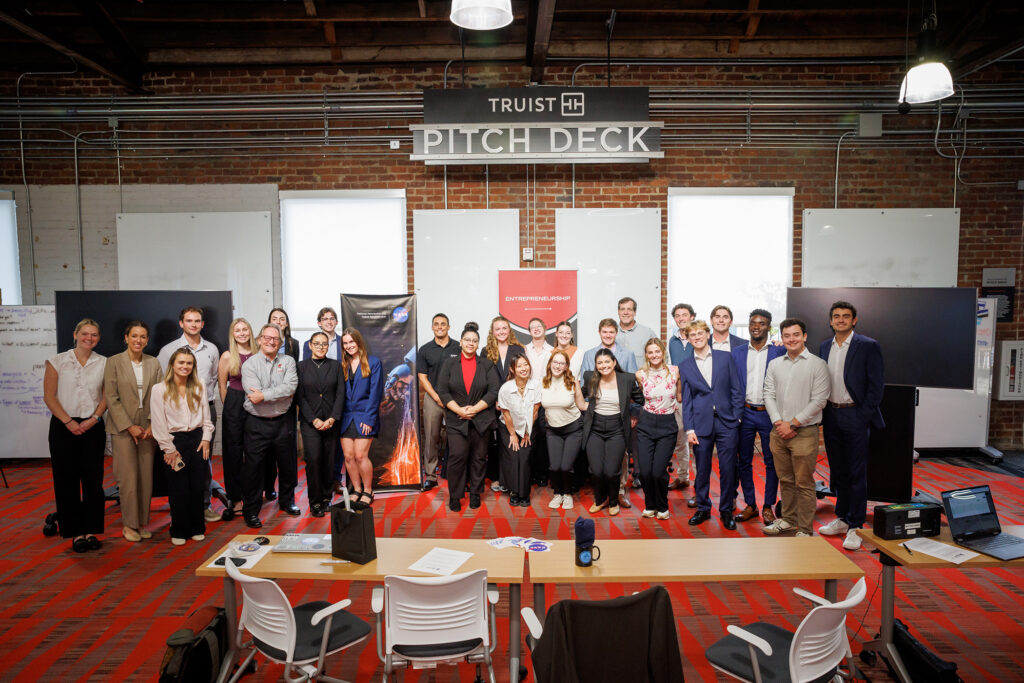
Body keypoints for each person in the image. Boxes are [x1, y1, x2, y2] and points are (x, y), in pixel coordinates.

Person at [818, 301, 885, 551]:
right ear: (831, 321)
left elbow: (876, 386)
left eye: (846, 316)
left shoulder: (868, 346)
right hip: (831, 415)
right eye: (836, 316)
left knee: (856, 473)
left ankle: (856, 525)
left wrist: (863, 416)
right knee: (839, 471)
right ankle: (842, 518)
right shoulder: (824, 346)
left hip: (855, 415)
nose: (841, 320)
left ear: (854, 320)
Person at [43, 318, 108, 553]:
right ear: (75, 334)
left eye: (94, 335)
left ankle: (91, 530)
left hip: (93, 426)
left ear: (98, 338)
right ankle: (74, 532)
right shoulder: (57, 361)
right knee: (66, 481)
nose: (89, 338)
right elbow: (49, 396)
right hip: (63, 426)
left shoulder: (104, 363)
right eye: (85, 334)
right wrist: (69, 422)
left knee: (93, 481)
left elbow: (106, 396)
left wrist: (94, 419)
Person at [762, 318, 831, 538]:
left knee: (804, 483)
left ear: (805, 336)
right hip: (778, 432)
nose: (791, 339)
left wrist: (792, 423)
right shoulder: (775, 364)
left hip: (804, 433)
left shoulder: (818, 365)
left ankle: (805, 529)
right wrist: (778, 422)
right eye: (787, 336)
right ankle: (789, 521)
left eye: (796, 335)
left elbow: (819, 400)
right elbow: (768, 394)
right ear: (782, 338)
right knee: (786, 480)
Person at [156, 306, 220, 523]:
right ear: (181, 323)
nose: (193, 324)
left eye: (197, 321)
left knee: (204, 460)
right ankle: (180, 509)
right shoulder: (168, 351)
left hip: (204, 409)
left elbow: (212, 378)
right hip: (175, 412)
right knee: (177, 462)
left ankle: (204, 505)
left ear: (203, 324)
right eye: (189, 321)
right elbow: (162, 378)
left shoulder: (212, 349)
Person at [678, 320, 743, 530]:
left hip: (727, 422)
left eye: (700, 333)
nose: (697, 337)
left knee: (728, 468)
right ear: (688, 339)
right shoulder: (685, 366)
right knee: (702, 469)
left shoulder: (725, 357)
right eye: (692, 335)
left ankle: (726, 510)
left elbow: (736, 389)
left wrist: (737, 417)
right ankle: (703, 508)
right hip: (700, 424)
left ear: (708, 335)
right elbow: (687, 400)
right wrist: (689, 429)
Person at [104, 320, 163, 543]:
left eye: (143, 336)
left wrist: (152, 424)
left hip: (148, 426)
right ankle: (129, 525)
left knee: (145, 478)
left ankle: (141, 522)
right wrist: (129, 427)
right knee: (127, 478)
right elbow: (111, 397)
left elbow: (160, 395)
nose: (138, 340)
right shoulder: (113, 362)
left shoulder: (153, 363)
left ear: (147, 340)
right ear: (126, 338)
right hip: (123, 427)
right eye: (134, 336)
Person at [150, 348, 215, 545]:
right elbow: (158, 422)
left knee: (197, 486)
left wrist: (206, 438)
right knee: (178, 488)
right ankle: (178, 530)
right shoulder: (159, 389)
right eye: (181, 362)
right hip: (174, 441)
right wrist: (168, 449)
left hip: (197, 440)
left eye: (189, 363)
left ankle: (197, 527)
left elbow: (207, 418)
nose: (185, 366)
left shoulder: (199, 385)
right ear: (172, 364)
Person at [240, 323, 299, 528]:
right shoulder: (249, 364)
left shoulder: (288, 361)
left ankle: (287, 501)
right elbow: (253, 395)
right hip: (257, 422)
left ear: (280, 342)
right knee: (253, 469)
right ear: (259, 340)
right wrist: (277, 393)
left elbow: (290, 387)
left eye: (275, 339)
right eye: (266, 337)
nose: (271, 342)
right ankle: (251, 511)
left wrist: (265, 395)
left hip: (283, 421)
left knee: (287, 465)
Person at [437, 322, 499, 512]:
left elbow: (493, 391)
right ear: (461, 342)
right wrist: (460, 411)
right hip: (457, 420)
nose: (470, 343)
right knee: (457, 458)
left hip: (481, 420)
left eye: (474, 341)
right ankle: (455, 496)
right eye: (467, 340)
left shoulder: (487, 365)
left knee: (479, 458)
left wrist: (474, 410)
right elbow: (443, 391)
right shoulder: (449, 364)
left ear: (478, 344)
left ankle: (475, 493)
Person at [732, 309, 786, 525]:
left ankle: (768, 506)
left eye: (762, 323)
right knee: (743, 461)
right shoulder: (737, 352)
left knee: (771, 461)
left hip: (769, 414)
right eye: (753, 323)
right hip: (744, 413)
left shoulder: (779, 351)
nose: (756, 326)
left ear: (769, 327)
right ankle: (751, 505)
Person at [579, 318, 638, 509]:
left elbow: (637, 394)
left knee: (614, 468)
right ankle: (600, 499)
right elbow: (584, 393)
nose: (604, 365)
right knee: (596, 469)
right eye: (600, 363)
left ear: (614, 362)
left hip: (618, 424)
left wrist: (633, 415)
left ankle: (615, 498)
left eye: (611, 331)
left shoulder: (627, 366)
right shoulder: (590, 366)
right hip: (595, 425)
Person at [297, 331, 345, 517]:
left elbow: (340, 394)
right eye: (317, 343)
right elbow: (300, 396)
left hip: (331, 422)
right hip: (310, 423)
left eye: (324, 344)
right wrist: (314, 419)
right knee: (314, 460)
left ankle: (326, 498)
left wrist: (333, 418)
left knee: (329, 460)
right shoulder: (301, 367)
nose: (320, 347)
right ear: (310, 345)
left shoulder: (336, 366)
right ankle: (315, 501)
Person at [635, 338, 681, 520]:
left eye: (657, 351)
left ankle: (662, 506)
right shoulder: (640, 374)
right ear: (646, 355)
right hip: (646, 424)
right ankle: (650, 505)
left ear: (663, 352)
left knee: (658, 471)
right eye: (650, 352)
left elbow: (680, 396)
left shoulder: (675, 371)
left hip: (667, 425)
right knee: (645, 472)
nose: (654, 355)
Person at [339, 327, 384, 506]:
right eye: (345, 343)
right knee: (348, 457)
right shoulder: (342, 364)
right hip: (345, 417)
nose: (349, 345)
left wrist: (369, 419)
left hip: (364, 416)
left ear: (358, 342)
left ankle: (368, 490)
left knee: (360, 456)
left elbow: (375, 393)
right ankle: (357, 489)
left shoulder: (373, 362)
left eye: (351, 341)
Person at [416, 313, 461, 491]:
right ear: (432, 327)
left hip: (455, 399)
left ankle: (456, 473)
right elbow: (422, 376)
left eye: (443, 324)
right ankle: (431, 476)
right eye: (436, 324)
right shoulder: (425, 349)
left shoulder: (458, 347)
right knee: (431, 437)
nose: (440, 327)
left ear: (449, 327)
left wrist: (449, 399)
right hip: (433, 398)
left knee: (457, 437)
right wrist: (436, 397)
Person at [217, 318, 254, 520]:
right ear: (233, 334)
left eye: (244, 329)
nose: (241, 333)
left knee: (253, 453)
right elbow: (222, 385)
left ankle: (252, 496)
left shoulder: (258, 353)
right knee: (233, 452)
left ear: (250, 331)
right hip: (234, 402)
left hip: (255, 402)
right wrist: (229, 407)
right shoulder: (227, 355)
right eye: (237, 330)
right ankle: (236, 498)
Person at [541, 350, 587, 510]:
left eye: (562, 363)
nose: (558, 366)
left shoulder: (573, 383)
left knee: (566, 467)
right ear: (550, 364)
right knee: (554, 467)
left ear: (567, 366)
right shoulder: (542, 383)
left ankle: (567, 494)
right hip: (553, 430)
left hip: (573, 429)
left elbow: (582, 405)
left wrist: (604, 405)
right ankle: (557, 493)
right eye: (555, 362)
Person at [484, 315, 526, 493]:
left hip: (513, 402)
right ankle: (495, 477)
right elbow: (484, 378)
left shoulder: (518, 349)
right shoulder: (485, 351)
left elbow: (522, 375)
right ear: (492, 332)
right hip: (492, 404)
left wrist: (507, 400)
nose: (501, 331)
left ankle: (509, 478)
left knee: (510, 441)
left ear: (509, 330)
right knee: (493, 443)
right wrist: (495, 400)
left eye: (504, 328)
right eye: (498, 329)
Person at [497, 354, 542, 507]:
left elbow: (535, 411)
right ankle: (514, 492)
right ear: (512, 369)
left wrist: (527, 432)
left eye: (525, 364)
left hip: (528, 426)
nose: (523, 368)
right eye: (519, 366)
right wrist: (513, 435)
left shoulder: (536, 385)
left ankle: (524, 493)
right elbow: (506, 414)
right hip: (508, 427)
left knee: (524, 457)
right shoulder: (506, 388)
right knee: (513, 456)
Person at [266, 307, 300, 501]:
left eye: (282, 319)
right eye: (274, 318)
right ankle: (269, 486)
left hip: (287, 405)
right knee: (267, 450)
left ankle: (288, 497)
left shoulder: (293, 344)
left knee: (287, 452)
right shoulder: (260, 344)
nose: (278, 321)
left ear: (286, 323)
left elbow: (295, 375)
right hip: (265, 405)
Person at [667, 303, 695, 493]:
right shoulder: (672, 341)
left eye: (685, 315)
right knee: (680, 439)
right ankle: (683, 477)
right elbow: (676, 369)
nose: (681, 318)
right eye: (677, 315)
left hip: (698, 396)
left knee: (698, 441)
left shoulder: (700, 337)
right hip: (679, 395)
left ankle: (700, 482)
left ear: (692, 316)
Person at [523, 317, 552, 488]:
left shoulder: (552, 350)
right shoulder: (524, 350)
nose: (536, 329)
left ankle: (542, 474)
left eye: (539, 326)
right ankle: (530, 473)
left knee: (543, 436)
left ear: (545, 328)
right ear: (529, 331)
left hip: (546, 398)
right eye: (532, 327)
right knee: (528, 435)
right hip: (528, 398)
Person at [614, 297, 657, 370]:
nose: (625, 312)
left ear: (635, 312)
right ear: (618, 312)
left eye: (629, 309)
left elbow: (662, 356)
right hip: (617, 377)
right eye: (622, 309)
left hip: (640, 377)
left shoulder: (647, 333)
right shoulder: (611, 334)